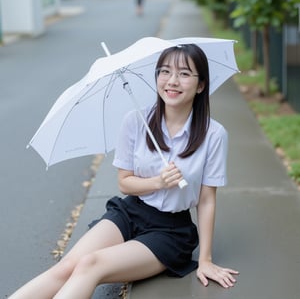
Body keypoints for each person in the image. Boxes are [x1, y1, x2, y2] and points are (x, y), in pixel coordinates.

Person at [9, 44, 238, 299]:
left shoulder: (213, 135)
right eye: (164, 72)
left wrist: (205, 259)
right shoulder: (135, 121)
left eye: (184, 74)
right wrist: (158, 182)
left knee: (90, 266)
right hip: (131, 211)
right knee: (67, 266)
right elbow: (125, 183)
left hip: (170, 231)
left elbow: (206, 200)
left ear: (201, 85)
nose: (172, 81)